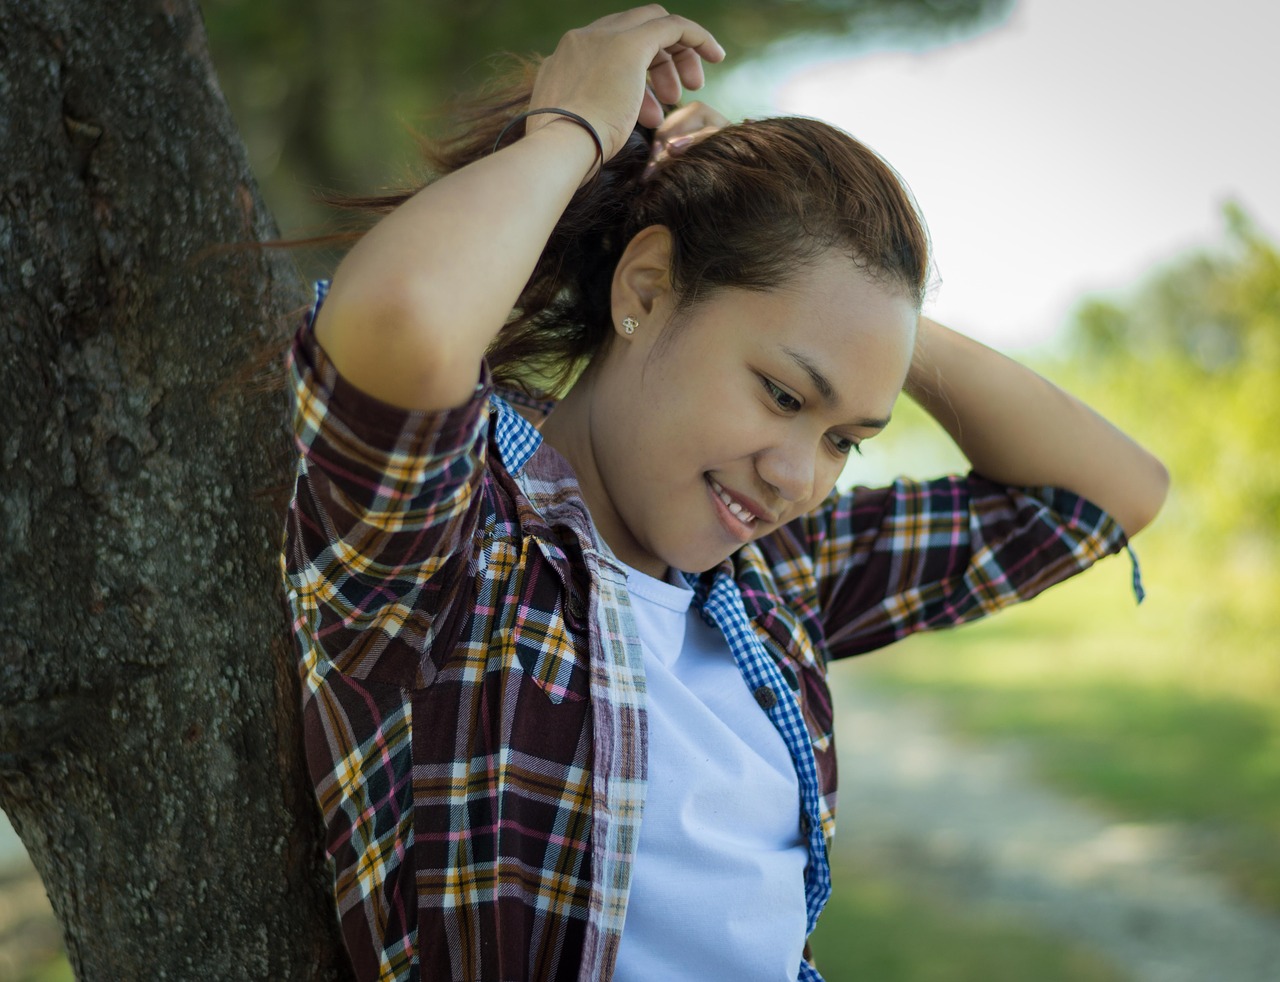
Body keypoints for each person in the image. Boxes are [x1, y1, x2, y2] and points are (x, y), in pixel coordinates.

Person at [281, 7, 1169, 981]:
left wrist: (865, 315)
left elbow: (1105, 494)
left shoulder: (773, 577)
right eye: (782, 393)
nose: (797, 476)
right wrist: (571, 129)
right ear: (646, 287)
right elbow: (402, 322)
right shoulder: (457, 548)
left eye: (843, 439)